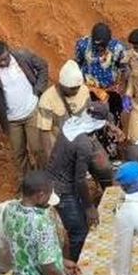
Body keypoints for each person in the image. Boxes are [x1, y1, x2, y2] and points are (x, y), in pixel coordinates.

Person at [47, 103, 113, 261]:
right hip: (64, 190)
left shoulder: (70, 123)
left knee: (78, 225)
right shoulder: (83, 143)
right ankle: (75, 268)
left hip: (53, 179)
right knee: (79, 232)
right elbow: (80, 179)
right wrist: (89, 207)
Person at [0, 40, 49, 177]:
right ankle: (26, 183)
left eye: (5, 58)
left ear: (8, 51)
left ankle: (44, 180)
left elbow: (43, 66)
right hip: (10, 119)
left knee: (37, 149)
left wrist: (38, 91)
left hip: (31, 111)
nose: (3, 63)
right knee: (18, 154)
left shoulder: (23, 56)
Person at [74, 22, 129, 158]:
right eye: (97, 45)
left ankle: (112, 153)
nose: (100, 48)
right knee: (92, 120)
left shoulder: (118, 48)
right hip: (90, 90)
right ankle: (95, 154)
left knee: (113, 119)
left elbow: (124, 69)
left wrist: (123, 90)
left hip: (111, 91)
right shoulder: (82, 45)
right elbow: (77, 63)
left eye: (103, 45)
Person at [36, 60, 92, 158]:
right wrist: (50, 157)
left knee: (104, 167)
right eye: (72, 88)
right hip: (61, 145)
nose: (76, 90)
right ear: (62, 84)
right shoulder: (47, 99)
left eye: (78, 87)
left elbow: (90, 112)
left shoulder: (84, 89)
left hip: (82, 140)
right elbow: (44, 132)